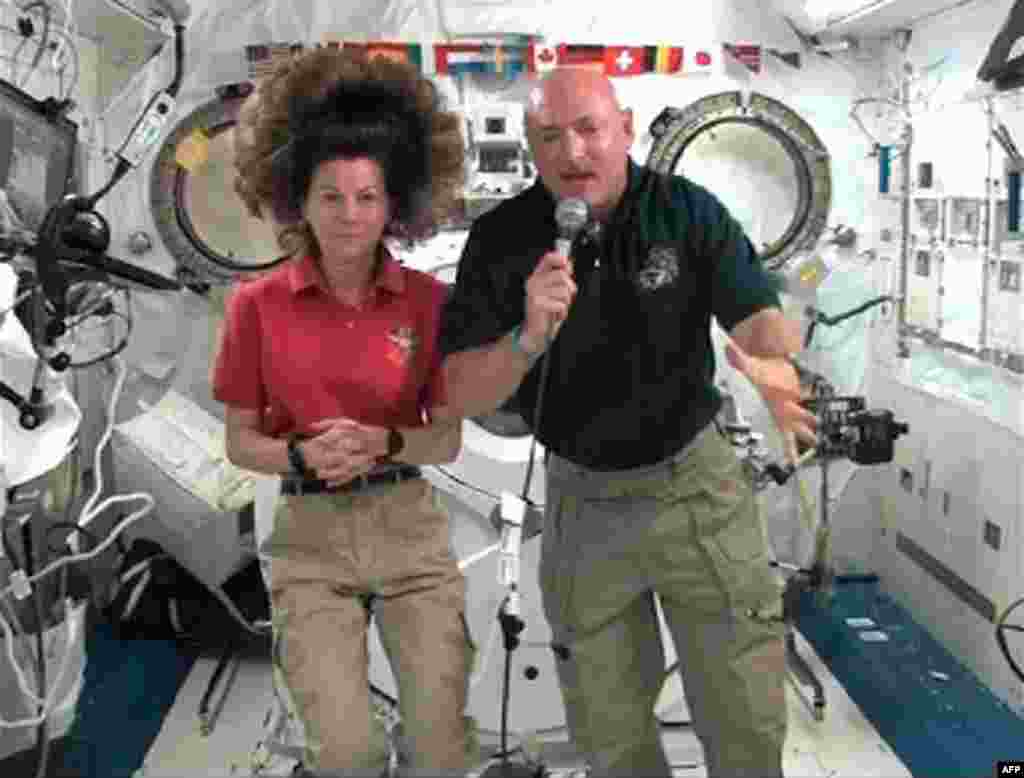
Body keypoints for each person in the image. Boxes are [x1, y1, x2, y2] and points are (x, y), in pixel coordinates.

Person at [438, 67, 818, 778]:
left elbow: (758, 322)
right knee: (607, 731)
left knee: (743, 712)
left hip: (695, 489)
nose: (573, 152)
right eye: (550, 136)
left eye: (589, 129)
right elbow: (458, 393)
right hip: (582, 503)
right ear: (530, 146)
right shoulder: (502, 239)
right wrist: (526, 336)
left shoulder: (686, 211)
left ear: (625, 129)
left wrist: (777, 368)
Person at [214, 47, 476, 777]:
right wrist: (300, 454)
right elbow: (240, 442)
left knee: (438, 746)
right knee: (346, 753)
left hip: (410, 536)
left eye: (367, 197)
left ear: (395, 204)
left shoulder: (430, 304)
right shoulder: (255, 308)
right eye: (331, 197)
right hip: (309, 542)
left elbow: (446, 440)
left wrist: (384, 441)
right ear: (299, 199)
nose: (350, 216)